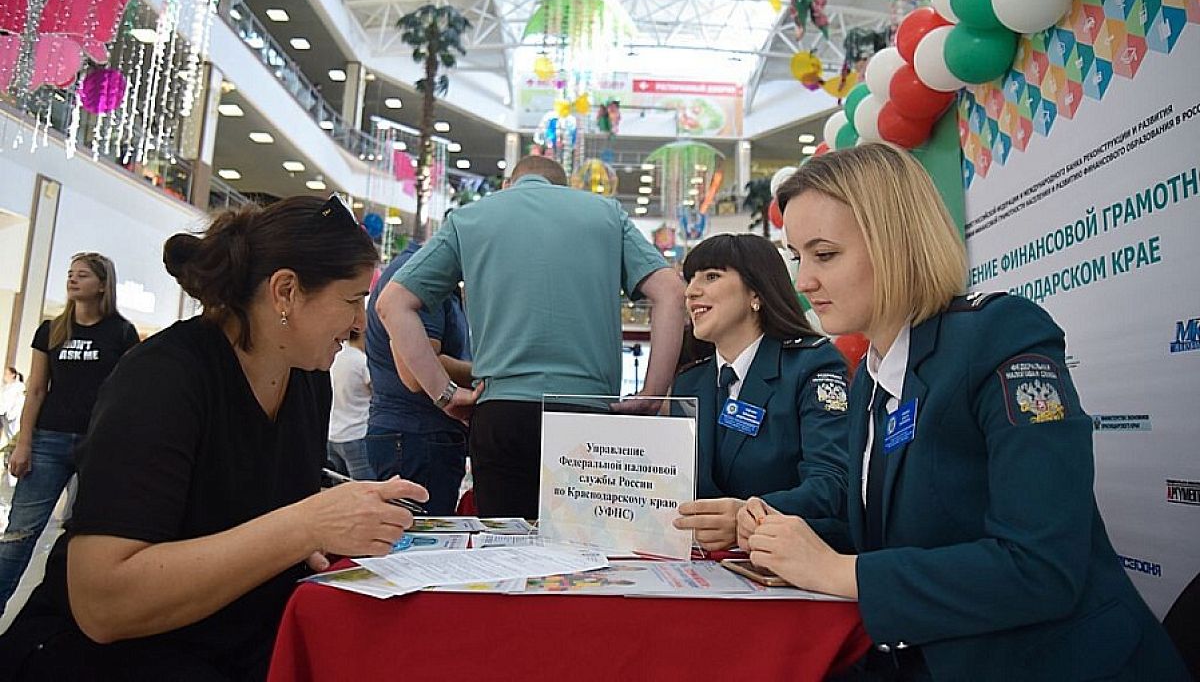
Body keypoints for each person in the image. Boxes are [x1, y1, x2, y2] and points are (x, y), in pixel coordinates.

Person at [738, 145, 1187, 681]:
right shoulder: (870, 381)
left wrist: (836, 570)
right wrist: (780, 533)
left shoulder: (1000, 336)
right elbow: (901, 539)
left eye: (825, 255)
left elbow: (1040, 568)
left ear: (897, 245)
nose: (803, 281)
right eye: (797, 258)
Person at [0, 196, 428, 680]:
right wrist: (303, 527)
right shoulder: (163, 378)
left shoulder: (307, 379)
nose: (359, 323)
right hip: (108, 658)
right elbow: (103, 603)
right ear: (285, 291)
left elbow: (252, 525)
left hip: (233, 641)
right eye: (352, 301)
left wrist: (324, 536)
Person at [377, 155, 686, 519]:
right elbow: (671, 292)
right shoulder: (605, 214)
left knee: (507, 553)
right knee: (586, 555)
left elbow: (392, 303)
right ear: (565, 188)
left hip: (501, 412)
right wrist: (652, 394)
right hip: (589, 413)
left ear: (509, 185)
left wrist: (444, 393)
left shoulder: (470, 218)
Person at [671, 234, 849, 552]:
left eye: (711, 277)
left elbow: (832, 483)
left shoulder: (811, 365)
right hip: (701, 570)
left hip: (788, 569)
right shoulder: (688, 382)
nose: (691, 292)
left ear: (756, 292)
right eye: (690, 280)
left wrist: (750, 516)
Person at [0, 252, 139, 614]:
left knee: (83, 535)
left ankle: (65, 618)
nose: (73, 280)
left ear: (103, 285)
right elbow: (36, 389)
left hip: (97, 445)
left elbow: (127, 393)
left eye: (83, 275)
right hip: (47, 440)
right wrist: (24, 442)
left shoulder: (121, 333)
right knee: (19, 535)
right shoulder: (51, 330)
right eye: (70, 274)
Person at [364, 241, 473, 514]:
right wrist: (489, 371)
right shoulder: (422, 280)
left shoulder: (418, 274)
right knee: (421, 545)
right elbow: (416, 373)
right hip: (418, 435)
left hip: (416, 434)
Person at [326, 330, 372, 480]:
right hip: (357, 434)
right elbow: (377, 393)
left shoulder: (336, 356)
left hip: (333, 434)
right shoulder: (361, 361)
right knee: (366, 489)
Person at [0, 366, 24, 445]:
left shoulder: (19, 386)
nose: (5, 376)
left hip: (13, 415)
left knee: (13, 435)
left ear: (13, 375)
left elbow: (19, 401)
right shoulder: (5, 387)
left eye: (7, 374)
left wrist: (12, 414)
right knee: (8, 435)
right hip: (3, 414)